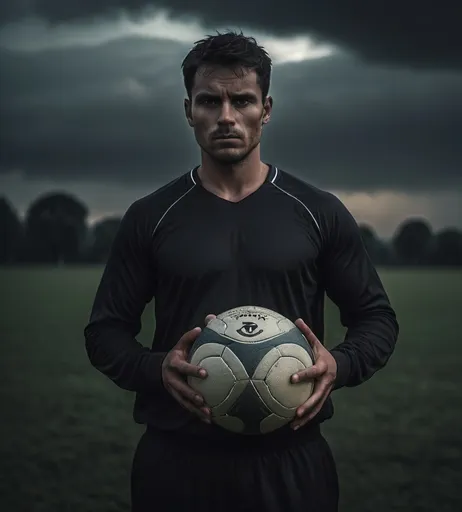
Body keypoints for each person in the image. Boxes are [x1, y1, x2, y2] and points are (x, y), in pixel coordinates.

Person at [84, 31, 399, 512]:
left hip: (291, 462)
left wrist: (340, 366)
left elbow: (377, 318)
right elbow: (105, 331)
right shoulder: (151, 216)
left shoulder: (318, 211)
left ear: (266, 109)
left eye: (242, 100)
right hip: (177, 462)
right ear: (188, 110)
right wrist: (156, 369)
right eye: (209, 101)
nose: (226, 116)